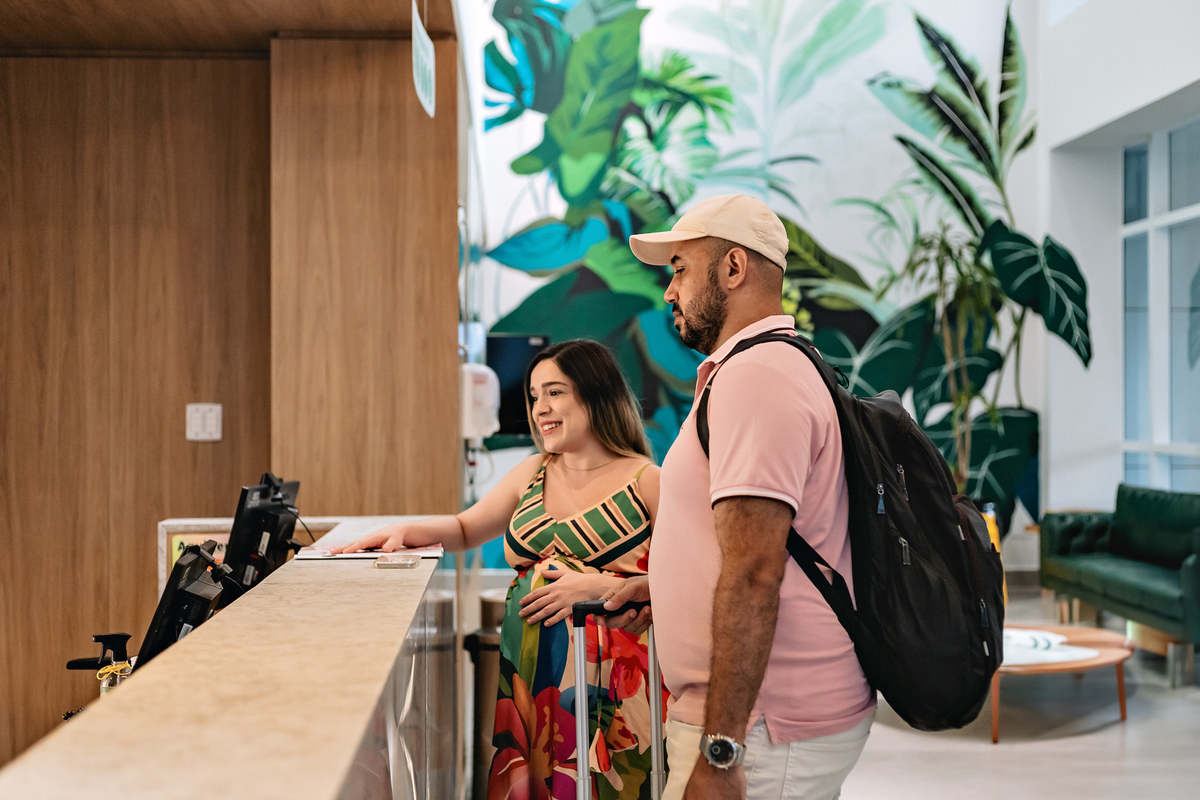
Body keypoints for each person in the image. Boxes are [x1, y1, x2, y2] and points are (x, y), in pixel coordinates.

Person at [604, 194, 875, 800]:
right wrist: (670, 590)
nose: (668, 292)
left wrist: (722, 751)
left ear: (732, 269)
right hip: (765, 722)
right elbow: (757, 541)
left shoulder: (758, 377)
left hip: (761, 730)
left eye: (679, 269)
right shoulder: (762, 368)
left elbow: (754, 570)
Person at [331, 339, 662, 800]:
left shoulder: (646, 481)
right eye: (533, 395)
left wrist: (605, 584)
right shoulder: (534, 471)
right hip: (528, 678)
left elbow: (692, 578)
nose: (540, 408)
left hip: (612, 693)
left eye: (555, 392)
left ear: (596, 393)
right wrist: (404, 530)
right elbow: (466, 530)